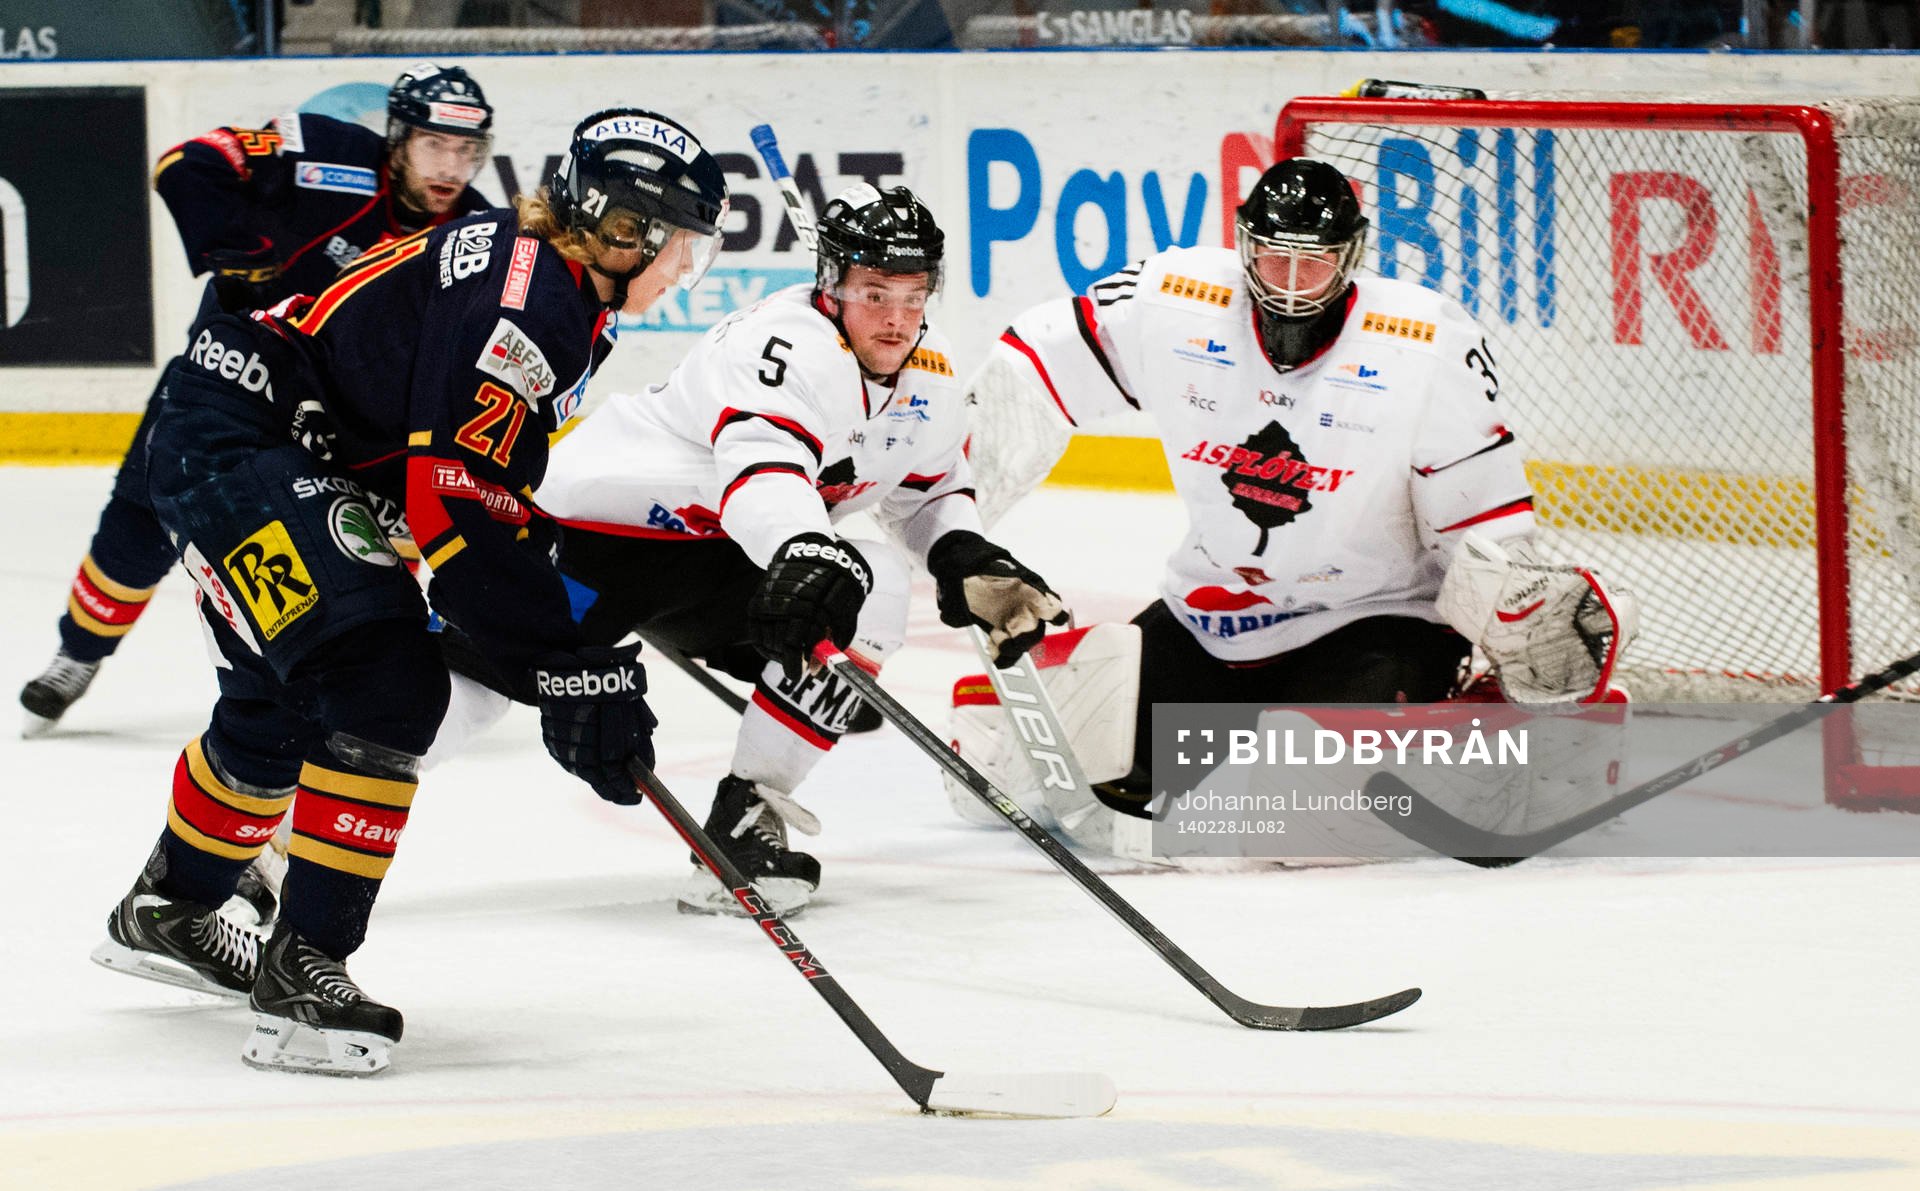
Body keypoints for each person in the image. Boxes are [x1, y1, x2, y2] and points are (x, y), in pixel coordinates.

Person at [89, 108, 726, 1075]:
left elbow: (484, 494)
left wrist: (568, 643)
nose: (686, 269)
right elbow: (452, 506)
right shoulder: (531, 302)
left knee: (285, 702)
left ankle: (167, 908)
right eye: (680, 243)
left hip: (264, 442)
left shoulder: (553, 284)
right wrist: (559, 663)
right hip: (243, 444)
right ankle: (305, 974)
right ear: (619, 226)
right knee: (386, 680)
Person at [952, 157, 1638, 838]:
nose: (1287, 284)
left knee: (1293, 806)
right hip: (1209, 622)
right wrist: (959, 532)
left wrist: (1514, 616)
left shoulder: (1424, 345)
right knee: (1047, 777)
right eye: (1272, 257)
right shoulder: (1173, 301)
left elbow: (1481, 518)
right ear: (1245, 244)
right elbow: (1032, 367)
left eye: (1311, 263)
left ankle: (1492, 741)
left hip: (1371, 621)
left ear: (1350, 259)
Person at [437, 183, 1068, 917]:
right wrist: (805, 549)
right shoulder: (780, 345)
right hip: (595, 534)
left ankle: (746, 817)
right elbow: (763, 475)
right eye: (873, 291)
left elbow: (927, 489)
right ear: (831, 285)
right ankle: (294, 821)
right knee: (472, 689)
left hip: (720, 555)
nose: (896, 319)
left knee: (877, 592)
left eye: (913, 293)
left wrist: (961, 550)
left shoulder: (931, 371)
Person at [19, 62, 495, 734]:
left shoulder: (475, 234)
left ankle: (370, 669)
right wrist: (232, 246)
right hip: (229, 372)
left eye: (467, 150)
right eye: (434, 145)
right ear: (397, 138)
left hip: (340, 408)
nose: (451, 166)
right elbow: (191, 162)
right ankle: (78, 652)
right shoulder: (320, 153)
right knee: (144, 516)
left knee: (377, 535)